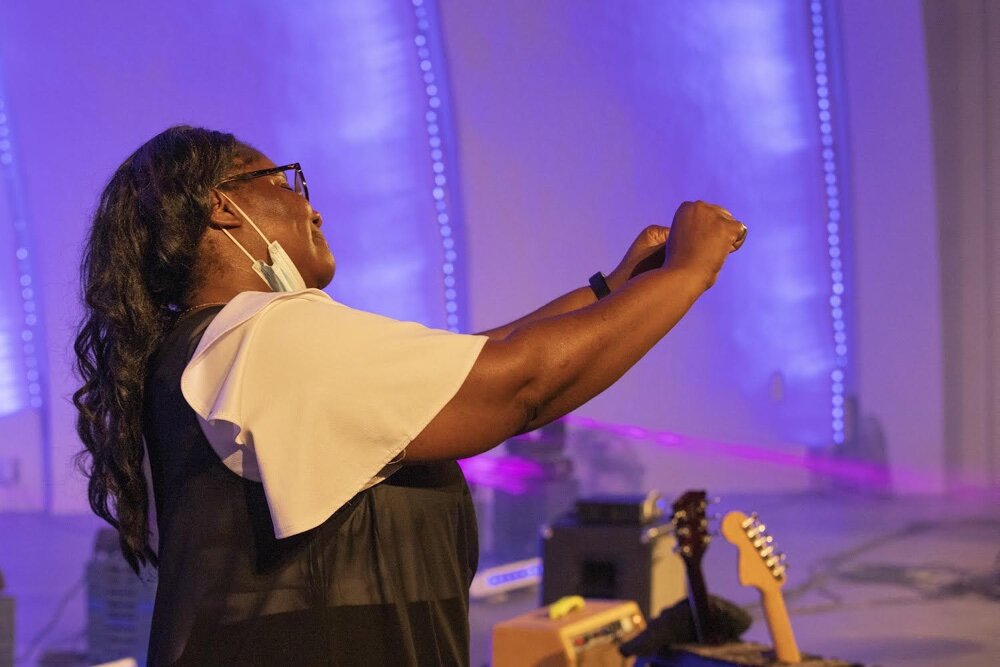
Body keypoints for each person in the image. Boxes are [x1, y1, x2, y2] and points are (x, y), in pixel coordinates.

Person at [73, 125, 745, 666]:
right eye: (285, 180)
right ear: (224, 205)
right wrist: (688, 275)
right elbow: (517, 381)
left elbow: (469, 360)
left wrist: (612, 292)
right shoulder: (261, 336)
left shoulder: (219, 351)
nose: (314, 204)